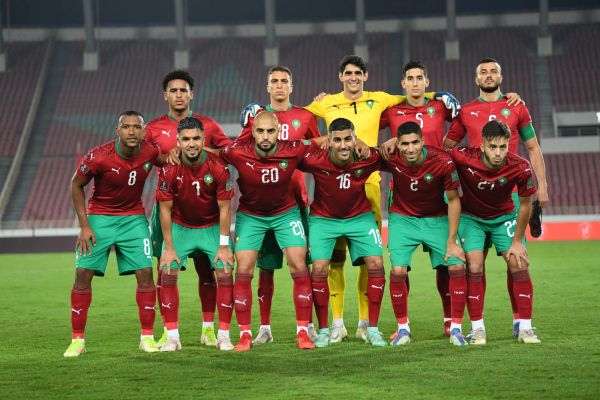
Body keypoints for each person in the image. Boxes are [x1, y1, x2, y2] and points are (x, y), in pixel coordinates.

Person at [302, 55, 460, 342]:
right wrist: (318, 139)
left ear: (365, 76)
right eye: (348, 73)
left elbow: (413, 95)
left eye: (358, 73)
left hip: (369, 183)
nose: (353, 77)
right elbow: (295, 117)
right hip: (332, 183)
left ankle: (365, 323)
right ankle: (337, 322)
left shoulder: (380, 99)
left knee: (369, 260)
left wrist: (438, 94)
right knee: (333, 260)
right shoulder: (326, 102)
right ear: (340, 76)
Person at [379, 60, 522, 338]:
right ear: (403, 83)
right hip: (405, 194)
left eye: (420, 78)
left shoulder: (442, 106)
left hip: (441, 191)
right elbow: (365, 125)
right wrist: (388, 140)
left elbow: (467, 118)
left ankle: (450, 321)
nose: (415, 83)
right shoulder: (391, 110)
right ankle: (402, 326)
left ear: (427, 82)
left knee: (449, 262)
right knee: (399, 267)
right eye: (410, 78)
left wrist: (508, 98)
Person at [443, 58, 548, 336]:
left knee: (515, 259)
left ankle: (520, 322)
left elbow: (532, 147)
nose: (488, 76)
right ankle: (477, 325)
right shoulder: (466, 111)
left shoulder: (516, 106)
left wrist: (543, 186)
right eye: (483, 72)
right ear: (476, 79)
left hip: (509, 197)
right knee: (475, 264)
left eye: (493, 71)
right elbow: (447, 146)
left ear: (501, 77)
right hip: (475, 196)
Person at [64, 111, 165, 357]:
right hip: (100, 217)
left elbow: (167, 160)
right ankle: (77, 341)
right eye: (126, 127)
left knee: (145, 273)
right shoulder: (98, 156)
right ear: (117, 131)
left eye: (137, 127)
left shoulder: (150, 151)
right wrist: (84, 226)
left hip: (133, 218)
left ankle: (147, 338)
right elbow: (76, 184)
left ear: (143, 131)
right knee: (82, 274)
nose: (131, 131)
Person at [218, 111, 321, 351]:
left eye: (270, 131)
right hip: (251, 216)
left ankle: (303, 333)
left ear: (278, 132)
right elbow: (212, 153)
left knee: (299, 265)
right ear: (253, 133)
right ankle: (245, 335)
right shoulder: (237, 151)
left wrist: (354, 140)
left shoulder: (292, 148)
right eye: (260, 131)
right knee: (243, 269)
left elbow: (320, 142)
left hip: (286, 214)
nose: (265, 136)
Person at [145, 70, 232, 347]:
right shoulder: (153, 128)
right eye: (173, 90)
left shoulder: (208, 124)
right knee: (164, 267)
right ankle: (168, 332)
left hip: (206, 210)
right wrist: (165, 156)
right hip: (171, 207)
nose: (179, 95)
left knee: (208, 269)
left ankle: (210, 330)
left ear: (191, 94)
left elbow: (229, 152)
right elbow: (145, 157)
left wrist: (201, 152)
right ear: (165, 95)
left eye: (183, 90)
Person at [238, 66, 320, 345]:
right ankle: (264, 328)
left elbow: (316, 149)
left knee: (303, 265)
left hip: (296, 202)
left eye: (284, 81)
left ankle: (307, 325)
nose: (279, 85)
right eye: (274, 81)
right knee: (266, 268)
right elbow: (240, 150)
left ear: (291, 86)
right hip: (262, 204)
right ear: (268, 86)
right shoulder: (256, 118)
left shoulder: (305, 116)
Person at [450, 119, 541, 345]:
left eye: (503, 147)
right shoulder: (464, 157)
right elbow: (437, 153)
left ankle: (525, 329)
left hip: (504, 218)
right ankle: (478, 329)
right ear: (482, 146)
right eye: (492, 147)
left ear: (509, 145)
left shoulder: (520, 166)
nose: (498, 153)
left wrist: (517, 241)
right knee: (474, 265)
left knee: (519, 262)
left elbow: (526, 204)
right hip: (472, 218)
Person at [299, 118, 387, 348]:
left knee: (376, 264)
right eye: (337, 140)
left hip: (359, 217)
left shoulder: (368, 157)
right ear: (329, 141)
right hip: (324, 219)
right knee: (319, 268)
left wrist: (393, 141)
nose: (343, 145)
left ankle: (372, 329)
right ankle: (324, 330)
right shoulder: (315, 159)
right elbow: (291, 151)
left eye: (348, 139)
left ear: (355, 139)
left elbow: (395, 156)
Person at [382, 121, 467, 346]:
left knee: (457, 266)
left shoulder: (442, 161)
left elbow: (453, 200)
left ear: (422, 141)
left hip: (436, 218)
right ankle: (403, 329)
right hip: (403, 219)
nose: (410, 149)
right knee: (398, 270)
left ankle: (456, 328)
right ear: (398, 144)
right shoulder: (390, 156)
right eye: (404, 144)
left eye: (415, 143)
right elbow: (362, 155)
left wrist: (452, 241)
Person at [156, 117, 235, 351]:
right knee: (167, 270)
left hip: (211, 227)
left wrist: (223, 246)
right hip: (181, 227)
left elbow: (225, 208)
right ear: (178, 141)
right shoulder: (169, 168)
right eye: (186, 139)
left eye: (196, 138)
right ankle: (172, 338)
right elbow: (165, 210)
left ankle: (223, 335)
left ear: (204, 139)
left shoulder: (218, 167)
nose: (191, 143)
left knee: (225, 271)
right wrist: (169, 248)